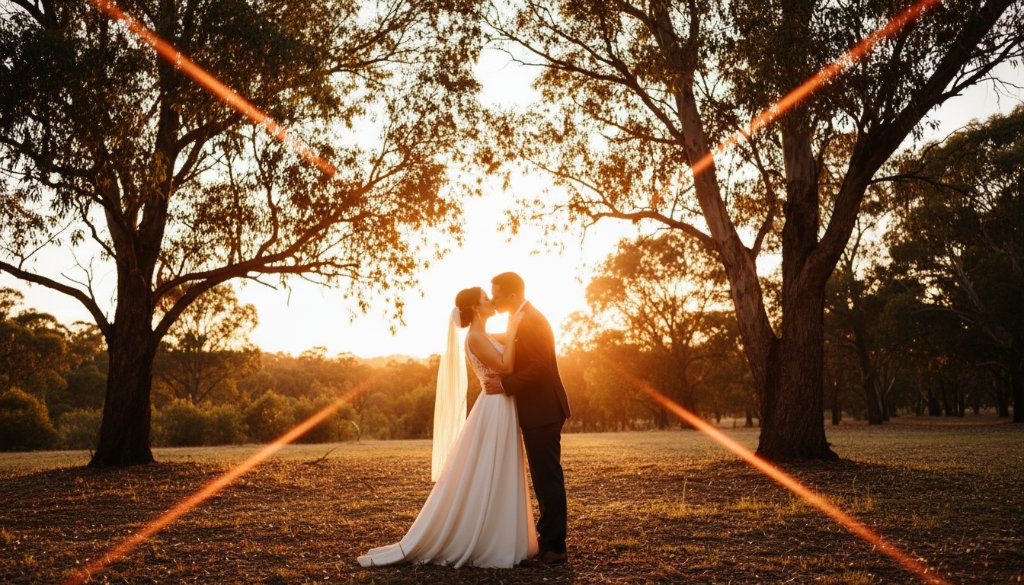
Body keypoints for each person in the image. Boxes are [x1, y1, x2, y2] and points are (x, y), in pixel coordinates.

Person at [357, 287, 538, 568]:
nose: (492, 301)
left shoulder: (483, 335)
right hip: (494, 406)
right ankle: (486, 538)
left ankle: (500, 532)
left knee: (498, 468)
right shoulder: (476, 338)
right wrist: (513, 326)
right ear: (477, 309)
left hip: (500, 404)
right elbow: (505, 364)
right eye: (485, 299)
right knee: (490, 468)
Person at [483, 272, 571, 565]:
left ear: (510, 295)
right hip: (536, 410)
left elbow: (540, 368)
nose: (492, 298)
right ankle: (548, 540)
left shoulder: (532, 320)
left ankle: (555, 547)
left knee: (547, 479)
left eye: (495, 293)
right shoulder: (519, 318)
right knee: (542, 478)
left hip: (544, 410)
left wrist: (505, 385)